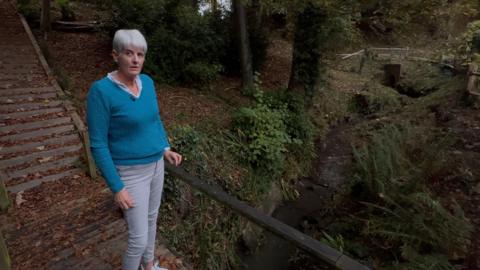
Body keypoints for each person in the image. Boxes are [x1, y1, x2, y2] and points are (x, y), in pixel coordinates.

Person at [86, 29, 182, 270]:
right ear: (115, 55)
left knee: (152, 219)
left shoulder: (147, 83)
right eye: (129, 53)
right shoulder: (101, 92)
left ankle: (149, 267)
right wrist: (117, 187)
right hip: (129, 173)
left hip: (156, 166)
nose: (135, 59)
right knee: (137, 240)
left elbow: (154, 120)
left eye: (140, 54)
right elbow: (98, 143)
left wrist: (164, 148)